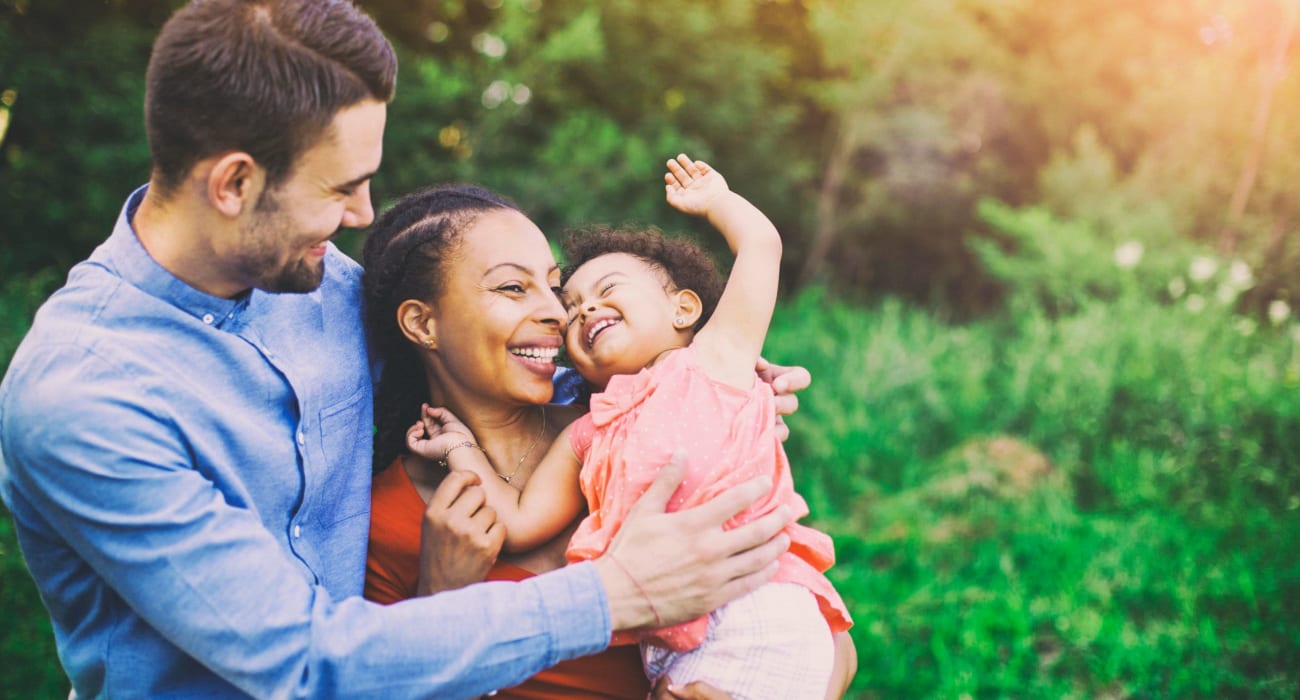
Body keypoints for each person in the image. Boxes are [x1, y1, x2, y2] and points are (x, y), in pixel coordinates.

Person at [0, 2, 800, 698]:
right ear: (234, 184)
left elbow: (497, 364)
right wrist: (615, 593)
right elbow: (300, 664)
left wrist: (693, 380)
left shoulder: (325, 289)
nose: (361, 214)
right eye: (340, 187)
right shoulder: (82, 398)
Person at [360, 183, 837, 699]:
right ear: (421, 322)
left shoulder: (637, 427)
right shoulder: (387, 527)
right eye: (514, 289)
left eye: (552, 287)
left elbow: (829, 635)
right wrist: (442, 599)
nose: (559, 313)